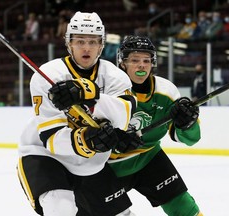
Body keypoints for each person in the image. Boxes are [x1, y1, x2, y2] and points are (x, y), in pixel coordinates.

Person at [17, 11, 142, 216]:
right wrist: (86, 140)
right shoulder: (48, 75)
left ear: (101, 45)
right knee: (61, 208)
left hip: (90, 163)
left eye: (93, 42)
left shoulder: (114, 77)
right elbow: (51, 138)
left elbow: (124, 115)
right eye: (80, 41)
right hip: (45, 155)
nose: (86, 47)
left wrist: (89, 94)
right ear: (69, 43)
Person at [108, 35, 203, 216]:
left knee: (183, 206)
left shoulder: (166, 91)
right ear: (122, 63)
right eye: (135, 60)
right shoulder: (108, 89)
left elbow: (191, 139)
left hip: (149, 158)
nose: (141, 65)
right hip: (109, 166)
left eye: (146, 60)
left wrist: (187, 123)